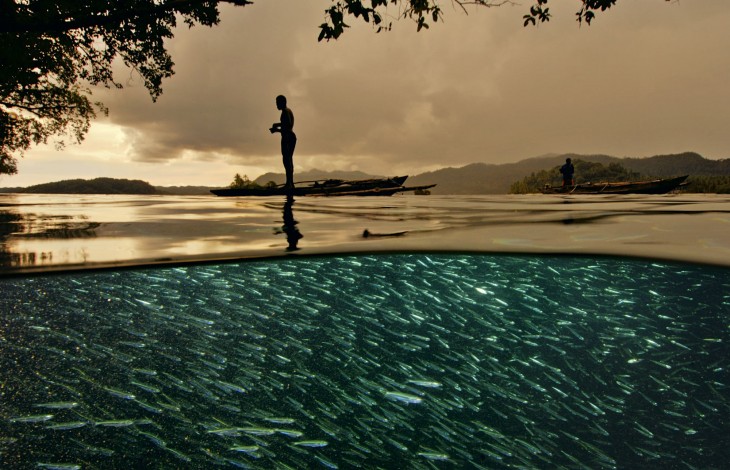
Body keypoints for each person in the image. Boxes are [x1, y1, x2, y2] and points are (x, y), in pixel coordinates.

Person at [269, 95, 296, 189]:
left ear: (283, 102)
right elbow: (285, 124)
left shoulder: (285, 112)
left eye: (277, 103)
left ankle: (289, 184)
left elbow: (287, 127)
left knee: (287, 160)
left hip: (288, 137)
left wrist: (275, 130)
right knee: (288, 160)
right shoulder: (288, 111)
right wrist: (276, 125)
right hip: (290, 137)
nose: (276, 105)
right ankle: (290, 183)